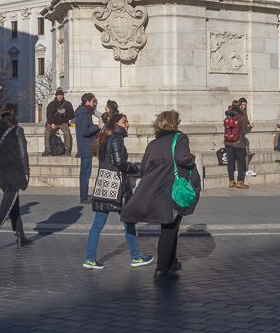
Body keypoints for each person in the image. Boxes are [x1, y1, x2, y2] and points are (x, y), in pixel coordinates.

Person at [120, 109, 197, 281]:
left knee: (170, 225)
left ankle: (172, 262)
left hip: (155, 189)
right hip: (171, 190)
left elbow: (144, 168)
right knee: (169, 228)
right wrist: (192, 157)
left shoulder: (153, 144)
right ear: (173, 123)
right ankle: (162, 269)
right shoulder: (180, 138)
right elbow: (183, 159)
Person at [84, 113, 151, 269]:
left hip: (104, 184)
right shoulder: (117, 138)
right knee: (129, 220)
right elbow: (120, 162)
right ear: (116, 124)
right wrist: (137, 168)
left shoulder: (105, 138)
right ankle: (135, 256)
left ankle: (90, 258)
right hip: (117, 187)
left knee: (98, 223)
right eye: (124, 122)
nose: (127, 124)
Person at [0, 104, 33, 252]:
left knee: (13, 203)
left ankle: (20, 235)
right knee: (6, 206)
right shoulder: (17, 130)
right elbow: (23, 154)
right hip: (13, 171)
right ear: (14, 114)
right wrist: (26, 173)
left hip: (0, 171)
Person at [76, 93, 100, 202]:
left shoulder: (84, 113)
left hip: (86, 146)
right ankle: (84, 197)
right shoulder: (84, 114)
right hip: (86, 148)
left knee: (85, 173)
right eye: (93, 101)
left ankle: (84, 195)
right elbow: (85, 131)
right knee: (85, 174)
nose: (95, 104)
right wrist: (97, 127)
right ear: (88, 102)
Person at [222, 99, 250, 189]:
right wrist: (250, 127)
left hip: (228, 142)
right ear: (239, 106)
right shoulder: (241, 117)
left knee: (230, 161)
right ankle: (240, 182)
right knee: (240, 162)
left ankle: (231, 181)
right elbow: (244, 131)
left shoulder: (228, 115)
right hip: (238, 142)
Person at [46, 89, 75, 155]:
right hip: (53, 123)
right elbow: (49, 115)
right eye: (58, 95)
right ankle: (47, 149)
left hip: (63, 122)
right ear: (56, 96)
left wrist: (65, 116)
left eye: (61, 95)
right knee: (47, 132)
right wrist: (52, 123)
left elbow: (72, 115)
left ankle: (67, 149)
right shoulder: (51, 104)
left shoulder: (67, 104)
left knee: (66, 133)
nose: (60, 97)